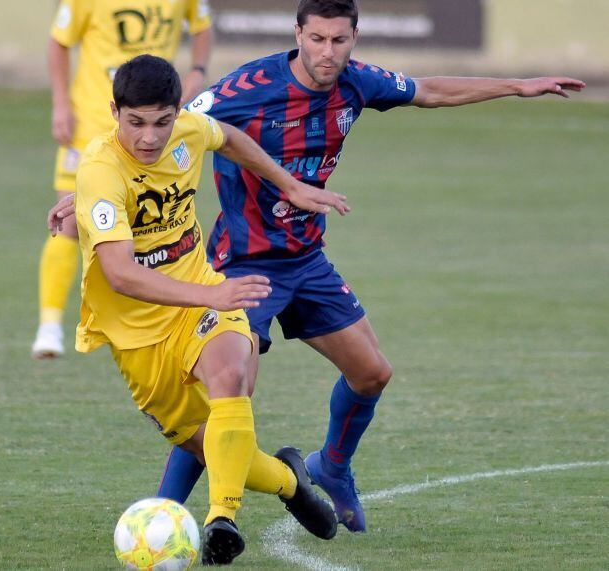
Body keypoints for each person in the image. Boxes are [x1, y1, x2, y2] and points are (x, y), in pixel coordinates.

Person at [49, 0, 585, 535]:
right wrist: (92, 191)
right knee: (228, 389)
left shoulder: (358, 84)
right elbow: (164, 130)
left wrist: (517, 85)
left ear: (354, 39)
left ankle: (331, 466)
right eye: (318, 39)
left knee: (373, 372)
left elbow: (430, 91)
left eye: (339, 40)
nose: (328, 52)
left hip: (305, 258)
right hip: (242, 264)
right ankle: (176, 513)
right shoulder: (247, 88)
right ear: (298, 34)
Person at [71, 54, 348, 565]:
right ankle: (291, 481)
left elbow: (230, 137)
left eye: (162, 121)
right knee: (213, 449)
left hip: (202, 292)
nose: (150, 137)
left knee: (229, 374)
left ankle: (223, 517)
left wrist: (287, 183)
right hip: (140, 338)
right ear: (114, 112)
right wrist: (210, 296)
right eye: (136, 123)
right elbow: (121, 275)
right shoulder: (99, 170)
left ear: (177, 112)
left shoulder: (189, 130)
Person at [33, 0, 214, 359]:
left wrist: (197, 69)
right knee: (69, 225)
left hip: (151, 128)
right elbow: (59, 41)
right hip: (92, 123)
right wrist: (60, 104)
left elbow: (202, 26)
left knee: (156, 219)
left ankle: (162, 320)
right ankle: (49, 325)